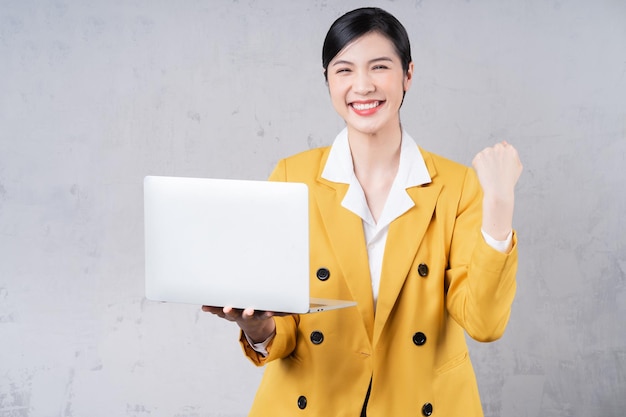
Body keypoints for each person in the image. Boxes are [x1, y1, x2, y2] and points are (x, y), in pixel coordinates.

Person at [203, 6, 522, 417]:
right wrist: (255, 327)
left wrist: (499, 204)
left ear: (408, 74)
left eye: (380, 66)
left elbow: (484, 323)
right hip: (314, 403)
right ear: (327, 81)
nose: (363, 85)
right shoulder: (291, 175)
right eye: (344, 70)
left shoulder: (457, 186)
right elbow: (283, 328)